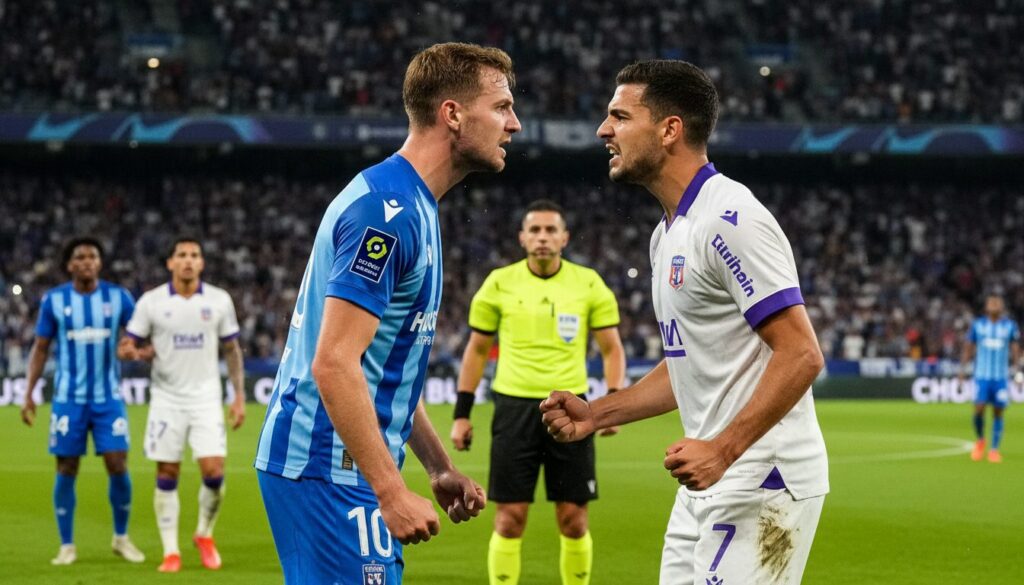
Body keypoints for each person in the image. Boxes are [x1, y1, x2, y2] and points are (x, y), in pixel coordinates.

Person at [540, 60, 829, 584]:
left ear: (670, 129)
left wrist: (722, 449)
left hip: (763, 478)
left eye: (620, 116)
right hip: (708, 480)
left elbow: (802, 353)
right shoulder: (667, 234)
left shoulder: (730, 219)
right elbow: (687, 367)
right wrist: (597, 415)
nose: (604, 130)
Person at [254, 42, 521, 584]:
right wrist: (391, 489)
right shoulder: (386, 214)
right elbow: (334, 363)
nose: (514, 123)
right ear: (452, 113)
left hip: (340, 465)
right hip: (324, 466)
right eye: (501, 107)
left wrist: (437, 466)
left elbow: (380, 368)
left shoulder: (411, 204)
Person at [450, 198, 625, 585]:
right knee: (509, 519)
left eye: (550, 231)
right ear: (522, 238)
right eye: (535, 230)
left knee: (574, 520)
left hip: (571, 409)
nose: (542, 237)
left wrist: (611, 405)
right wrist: (462, 414)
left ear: (564, 238)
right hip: (513, 408)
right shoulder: (499, 282)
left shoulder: (588, 282)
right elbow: (477, 350)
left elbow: (612, 348)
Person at [118, 237, 246, 572]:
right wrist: (132, 351)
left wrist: (239, 396)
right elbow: (131, 344)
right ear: (170, 263)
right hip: (166, 398)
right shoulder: (151, 301)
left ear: (202, 263)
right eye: (182, 255)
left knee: (214, 472)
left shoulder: (219, 300)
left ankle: (204, 533)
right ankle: (171, 551)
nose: (188, 260)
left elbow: (232, 351)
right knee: (167, 471)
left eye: (194, 255)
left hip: (205, 397)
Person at [20, 237, 145, 566]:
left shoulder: (119, 298)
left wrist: (135, 349)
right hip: (68, 400)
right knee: (66, 467)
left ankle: (121, 537)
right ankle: (67, 545)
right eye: (80, 257)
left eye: (93, 256)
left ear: (100, 263)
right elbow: (41, 347)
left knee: (118, 465)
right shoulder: (54, 300)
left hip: (109, 399)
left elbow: (140, 336)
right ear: (70, 265)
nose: (87, 261)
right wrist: (29, 392)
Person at [960, 294, 1021, 463]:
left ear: (1002, 306)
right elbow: (968, 347)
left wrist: (1017, 371)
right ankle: (980, 440)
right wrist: (962, 370)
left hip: (1000, 377)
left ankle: (994, 449)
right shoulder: (978, 325)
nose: (994, 304)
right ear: (986, 307)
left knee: (998, 411)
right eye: (991, 302)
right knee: (979, 408)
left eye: (997, 302)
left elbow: (1015, 349)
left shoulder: (1009, 326)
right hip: (982, 376)